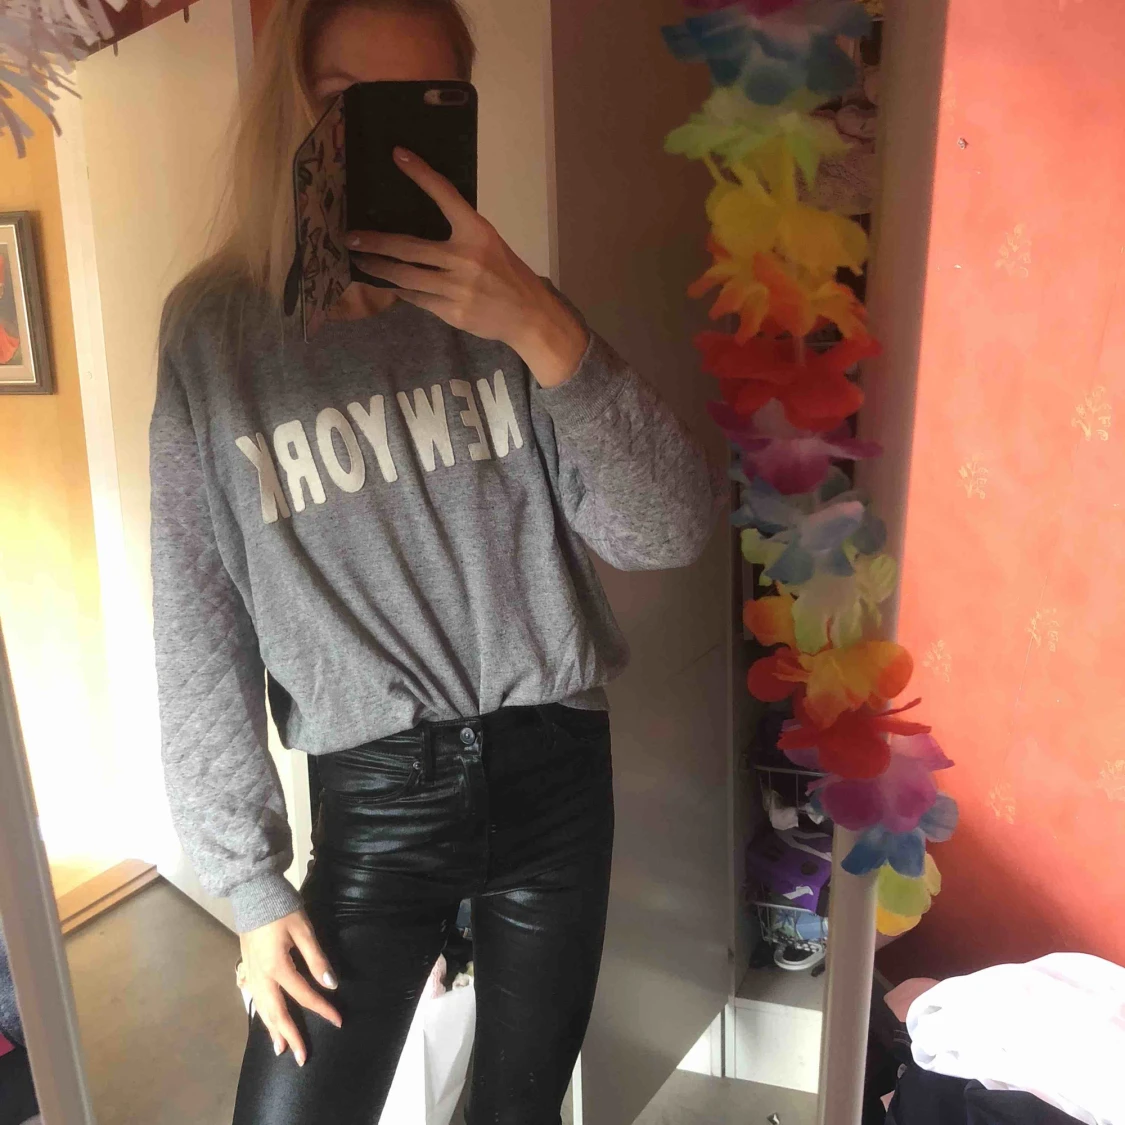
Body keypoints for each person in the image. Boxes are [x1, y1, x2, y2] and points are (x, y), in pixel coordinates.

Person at [149, 0, 716, 1121]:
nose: (385, 138)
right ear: (290, 113)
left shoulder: (512, 312)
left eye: (423, 102)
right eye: (345, 100)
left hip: (556, 778)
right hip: (377, 808)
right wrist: (249, 885)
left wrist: (546, 330)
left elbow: (668, 530)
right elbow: (196, 616)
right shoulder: (217, 333)